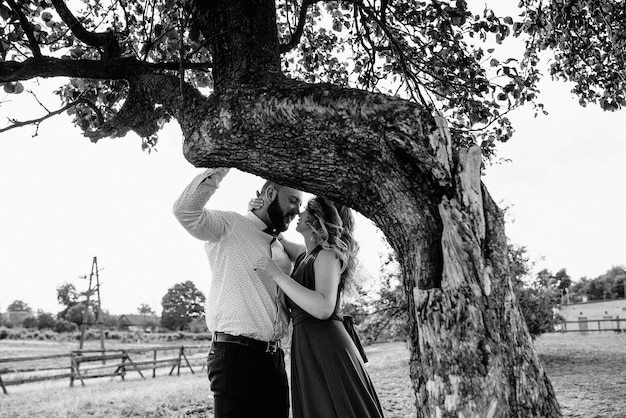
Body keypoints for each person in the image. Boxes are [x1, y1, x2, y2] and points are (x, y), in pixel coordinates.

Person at [173, 167, 303, 418]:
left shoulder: (280, 246)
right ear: (270, 193)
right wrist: (224, 163)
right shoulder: (229, 226)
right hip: (236, 356)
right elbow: (184, 211)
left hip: (274, 358)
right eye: (293, 200)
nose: (297, 210)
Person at [255, 196, 385, 418]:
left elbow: (324, 307)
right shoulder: (304, 255)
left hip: (327, 345)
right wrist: (259, 209)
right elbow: (276, 234)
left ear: (315, 220)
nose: (299, 214)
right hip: (307, 345)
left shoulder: (327, 255)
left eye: (304, 210)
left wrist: (277, 275)